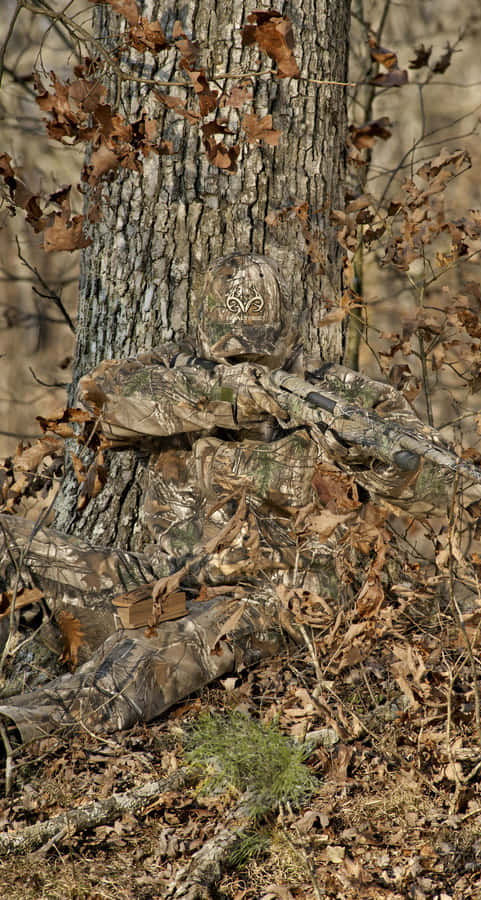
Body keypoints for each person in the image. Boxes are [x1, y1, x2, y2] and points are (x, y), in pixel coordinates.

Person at [0, 252, 443, 745]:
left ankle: (19, 729)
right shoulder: (175, 367)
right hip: (161, 580)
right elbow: (95, 406)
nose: (244, 362)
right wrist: (229, 395)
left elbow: (427, 481)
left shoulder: (339, 392)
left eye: (258, 353)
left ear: (287, 334)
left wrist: (361, 452)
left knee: (137, 664)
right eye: (230, 353)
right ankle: (24, 676)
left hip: (265, 602)